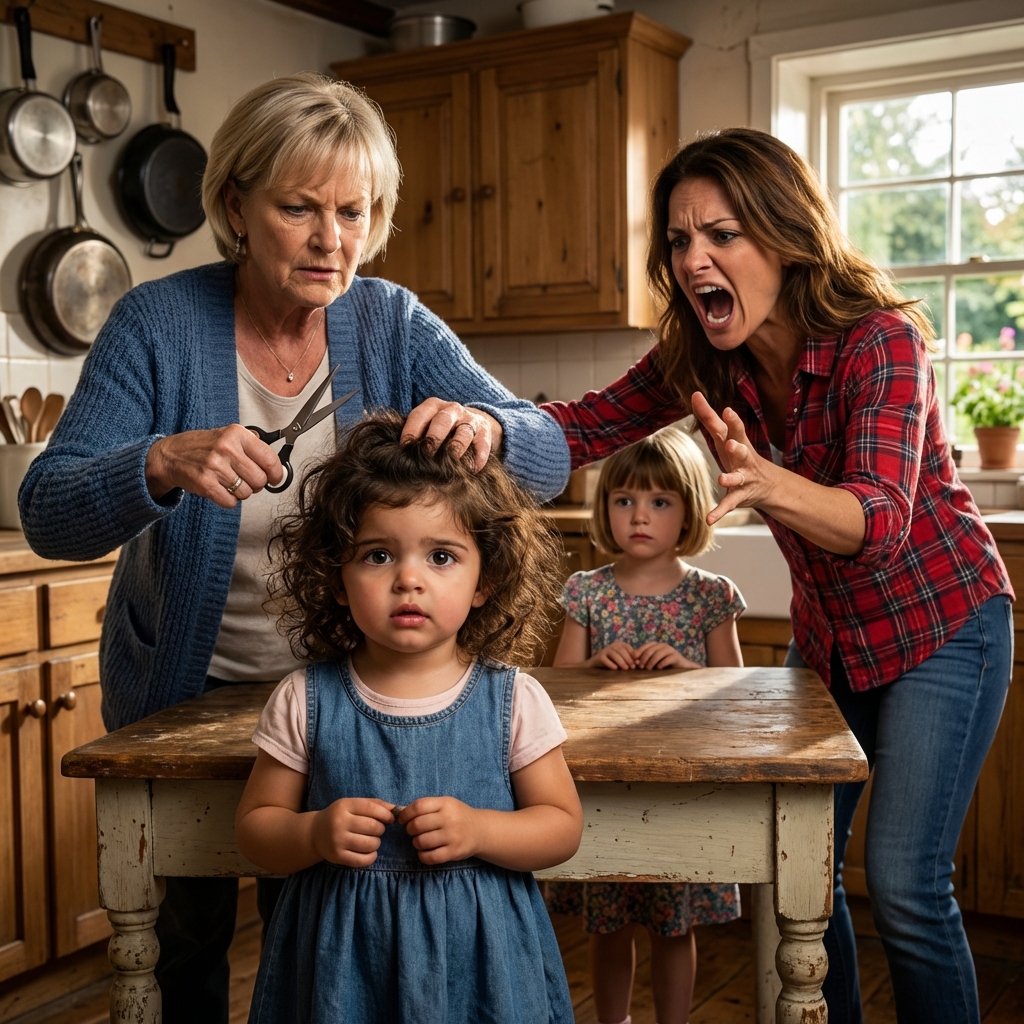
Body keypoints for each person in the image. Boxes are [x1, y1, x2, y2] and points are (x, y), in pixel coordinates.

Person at [18, 74, 569, 1024]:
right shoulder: (156, 324)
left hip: (346, 699)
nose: (331, 239)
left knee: (322, 924)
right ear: (235, 205)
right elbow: (48, 509)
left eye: (353, 211)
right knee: (181, 937)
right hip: (185, 704)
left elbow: (551, 454)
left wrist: (487, 426)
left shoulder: (389, 321)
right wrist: (155, 463)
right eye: (300, 208)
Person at [539, 128, 1013, 1024]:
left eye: (721, 234)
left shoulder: (882, 341)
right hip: (833, 638)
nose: (693, 259)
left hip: (943, 627)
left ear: (785, 236)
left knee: (908, 888)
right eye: (679, 241)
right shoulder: (706, 356)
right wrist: (476, 425)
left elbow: (876, 521)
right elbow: (587, 423)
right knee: (801, 876)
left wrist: (768, 480)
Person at [235, 411, 582, 1023]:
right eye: (376, 556)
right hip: (344, 973)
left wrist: (480, 831)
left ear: (486, 579)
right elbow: (257, 829)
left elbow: (561, 827)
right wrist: (313, 834)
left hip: (482, 971)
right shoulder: (303, 699)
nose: (409, 580)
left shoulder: (515, 699)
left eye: (443, 556)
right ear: (336, 578)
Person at [545, 426, 744, 1024]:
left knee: (671, 924)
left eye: (659, 502)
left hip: (679, 793)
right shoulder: (586, 591)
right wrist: (592, 665)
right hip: (605, 793)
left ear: (687, 510)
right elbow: (557, 688)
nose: (639, 516)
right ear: (605, 509)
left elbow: (736, 692)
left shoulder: (710, 596)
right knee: (608, 926)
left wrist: (687, 667)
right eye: (624, 500)